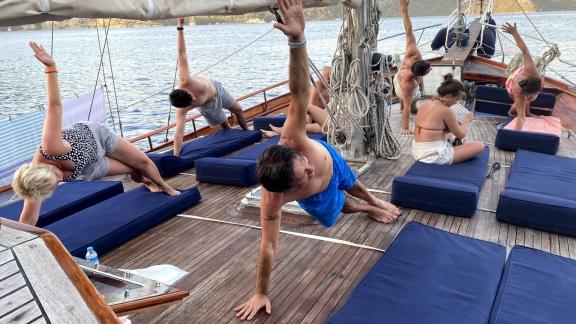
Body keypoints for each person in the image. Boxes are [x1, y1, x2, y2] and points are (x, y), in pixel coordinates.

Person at [234, 1, 401, 320]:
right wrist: (261, 292)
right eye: (302, 178)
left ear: (293, 151)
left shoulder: (292, 136)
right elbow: (268, 246)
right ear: (285, 193)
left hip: (334, 160)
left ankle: (372, 200)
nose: (309, 171)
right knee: (337, 209)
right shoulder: (273, 200)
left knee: (351, 182)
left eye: (303, 166)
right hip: (321, 198)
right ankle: (365, 208)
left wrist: (297, 40)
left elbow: (298, 92)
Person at [12, 42, 180, 226]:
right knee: (134, 170)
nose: (58, 182)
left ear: (44, 169)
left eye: (54, 180)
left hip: (98, 138)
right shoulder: (36, 186)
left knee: (142, 162)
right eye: (53, 187)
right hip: (89, 167)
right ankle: (148, 182)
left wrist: (51, 68)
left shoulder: (51, 148)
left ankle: (164, 186)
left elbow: (54, 106)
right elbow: (28, 219)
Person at [169, 17, 249, 157]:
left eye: (191, 96)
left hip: (217, 89)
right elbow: (179, 132)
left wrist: (180, 27)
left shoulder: (185, 78)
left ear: (185, 89)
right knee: (223, 123)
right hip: (208, 104)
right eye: (192, 102)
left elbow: (181, 53)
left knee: (239, 110)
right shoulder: (181, 109)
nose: (194, 99)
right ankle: (230, 138)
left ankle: (248, 134)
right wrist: (176, 156)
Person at [412, 74, 484, 164]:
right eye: (457, 99)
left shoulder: (426, 104)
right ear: (449, 96)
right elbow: (461, 134)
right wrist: (466, 120)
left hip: (417, 151)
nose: (457, 102)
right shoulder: (445, 110)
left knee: (451, 135)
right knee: (479, 146)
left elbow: (433, 127)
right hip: (433, 156)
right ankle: (461, 147)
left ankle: (460, 146)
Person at [394, 0, 432, 135]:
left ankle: (407, 103)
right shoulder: (411, 84)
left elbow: (408, 29)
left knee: (409, 98)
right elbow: (406, 109)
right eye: (429, 70)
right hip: (401, 87)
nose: (431, 69)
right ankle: (407, 104)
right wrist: (405, 128)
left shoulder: (412, 53)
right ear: (420, 74)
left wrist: (404, 8)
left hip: (398, 76)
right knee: (408, 102)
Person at [501, 22, 543, 131]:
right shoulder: (518, 91)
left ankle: (524, 110)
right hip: (512, 84)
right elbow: (521, 118)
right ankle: (514, 110)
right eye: (528, 94)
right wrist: (516, 133)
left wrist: (515, 33)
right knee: (522, 105)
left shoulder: (531, 69)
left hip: (524, 81)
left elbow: (524, 50)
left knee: (529, 99)